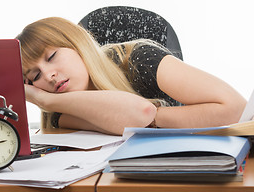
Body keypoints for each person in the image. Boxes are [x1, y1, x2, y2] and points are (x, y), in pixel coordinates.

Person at [16, 17, 247, 135]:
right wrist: (46, 102)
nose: (48, 75)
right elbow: (138, 115)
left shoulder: (138, 58)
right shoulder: (57, 113)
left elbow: (236, 108)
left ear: (77, 44)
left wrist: (156, 117)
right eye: (34, 76)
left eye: (52, 56)